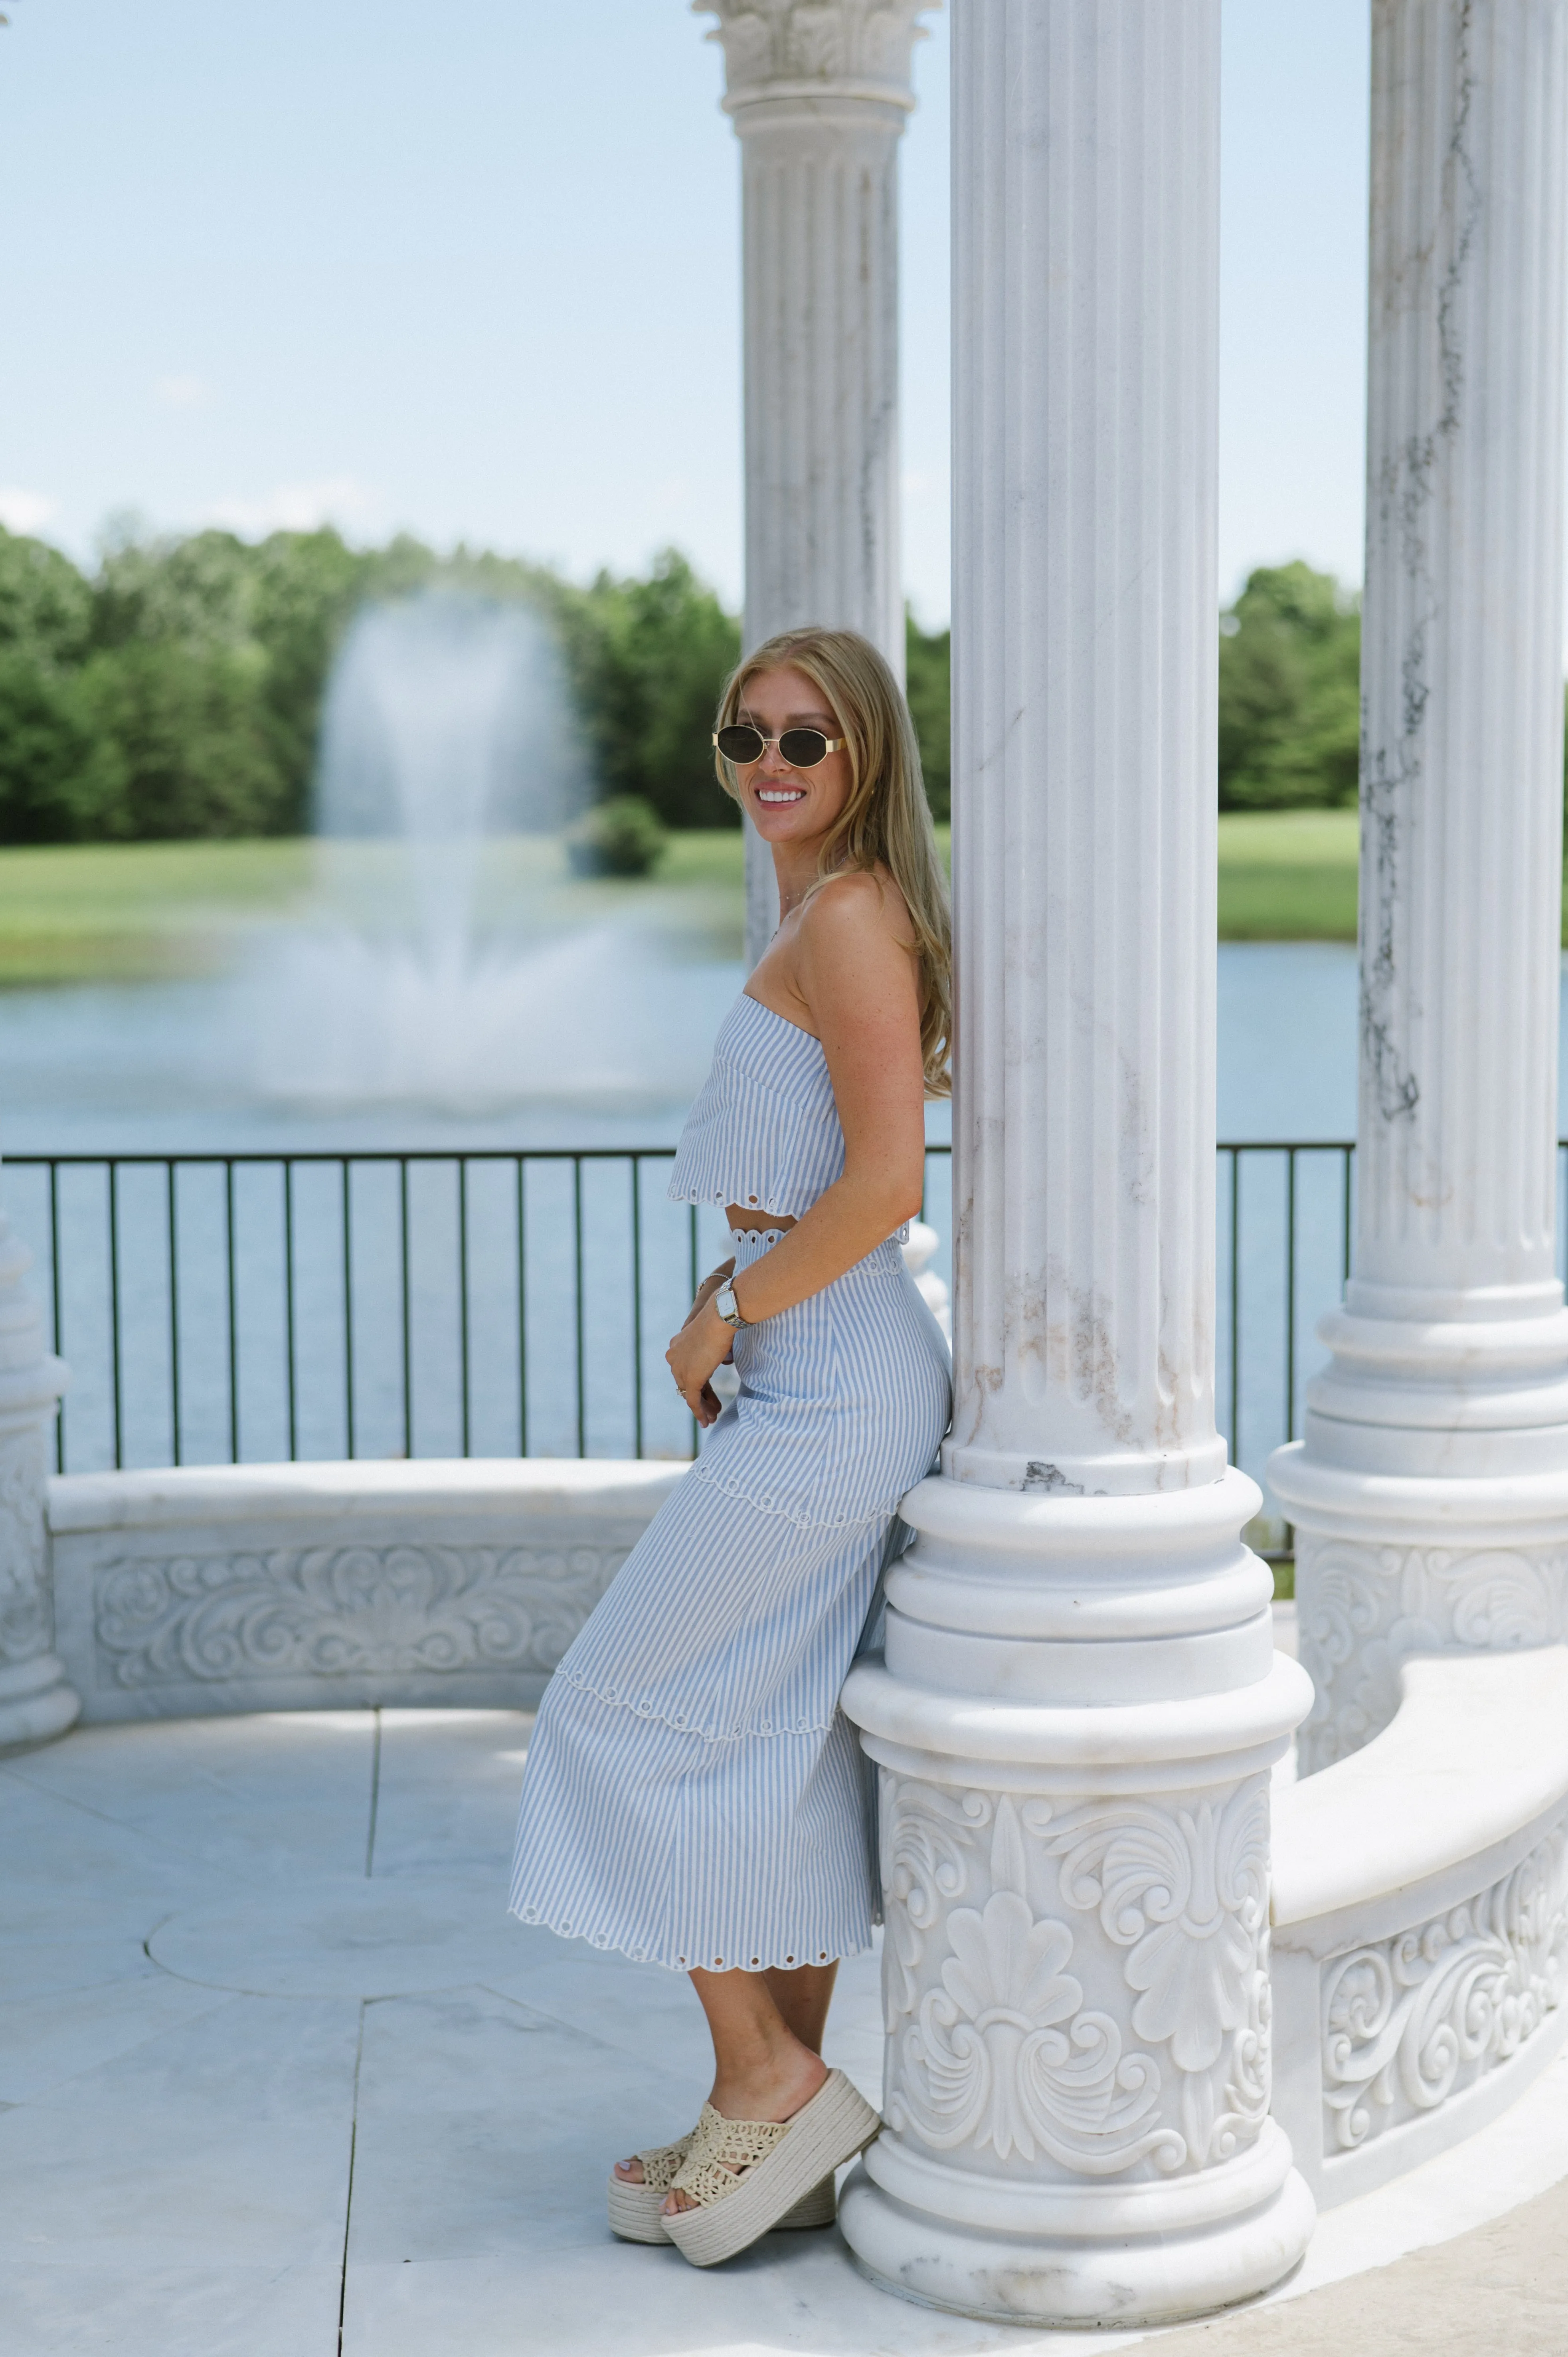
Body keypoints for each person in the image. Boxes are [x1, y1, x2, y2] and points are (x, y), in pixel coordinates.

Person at [507, 625, 953, 2269]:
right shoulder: (817, 909)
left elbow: (889, 1184)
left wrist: (720, 1313)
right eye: (744, 737)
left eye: (808, 741)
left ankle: (777, 2073)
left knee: (613, 1711)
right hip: (810, 1363)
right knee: (764, 1736)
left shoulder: (846, 917)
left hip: (837, 1389)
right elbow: (817, 1172)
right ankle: (753, 2114)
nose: (771, 765)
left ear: (866, 761)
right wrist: (732, 1292)